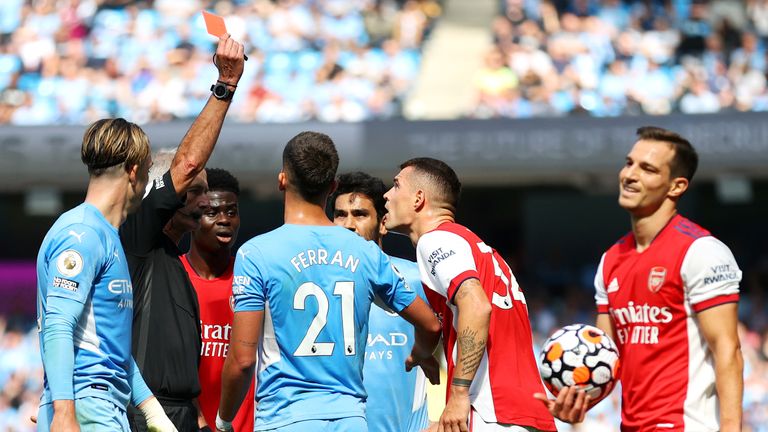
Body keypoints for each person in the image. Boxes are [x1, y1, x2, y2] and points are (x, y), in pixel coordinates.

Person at [216, 131, 441, 432]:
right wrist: (422, 354)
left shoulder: (256, 253)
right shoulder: (365, 252)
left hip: (285, 418)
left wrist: (224, 419)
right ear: (333, 187)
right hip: (351, 420)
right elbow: (431, 324)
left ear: (282, 180)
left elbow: (243, 360)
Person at [535, 127, 744, 432]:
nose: (630, 175)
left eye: (647, 169)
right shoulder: (611, 260)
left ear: (677, 186)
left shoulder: (700, 251)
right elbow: (605, 357)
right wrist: (578, 401)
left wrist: (731, 428)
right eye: (629, 163)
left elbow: (728, 350)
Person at [120, 34, 245, 432]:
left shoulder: (174, 263)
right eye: (195, 193)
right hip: (143, 417)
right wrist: (225, 85)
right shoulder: (138, 240)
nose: (205, 202)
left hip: (182, 418)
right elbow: (188, 163)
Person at [383, 157, 557, 432]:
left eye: (395, 186)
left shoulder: (436, 240)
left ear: (418, 198)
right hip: (521, 413)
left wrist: (460, 393)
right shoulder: (470, 243)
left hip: (491, 411)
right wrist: (422, 351)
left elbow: (477, 307)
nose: (386, 195)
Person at [35, 118, 176, 431]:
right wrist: (63, 411)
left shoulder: (105, 234)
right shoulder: (83, 234)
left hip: (102, 404)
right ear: (135, 172)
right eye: (149, 170)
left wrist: (153, 413)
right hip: (88, 404)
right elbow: (59, 323)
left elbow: (112, 347)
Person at [330, 171, 430, 432]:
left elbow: (465, 337)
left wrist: (455, 403)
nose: (349, 224)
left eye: (360, 214)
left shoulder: (417, 278)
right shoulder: (316, 283)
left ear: (383, 223)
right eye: (340, 215)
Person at [180, 168, 255, 432]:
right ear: (193, 217)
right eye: (212, 212)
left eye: (231, 212)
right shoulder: (172, 277)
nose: (225, 220)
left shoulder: (253, 278)